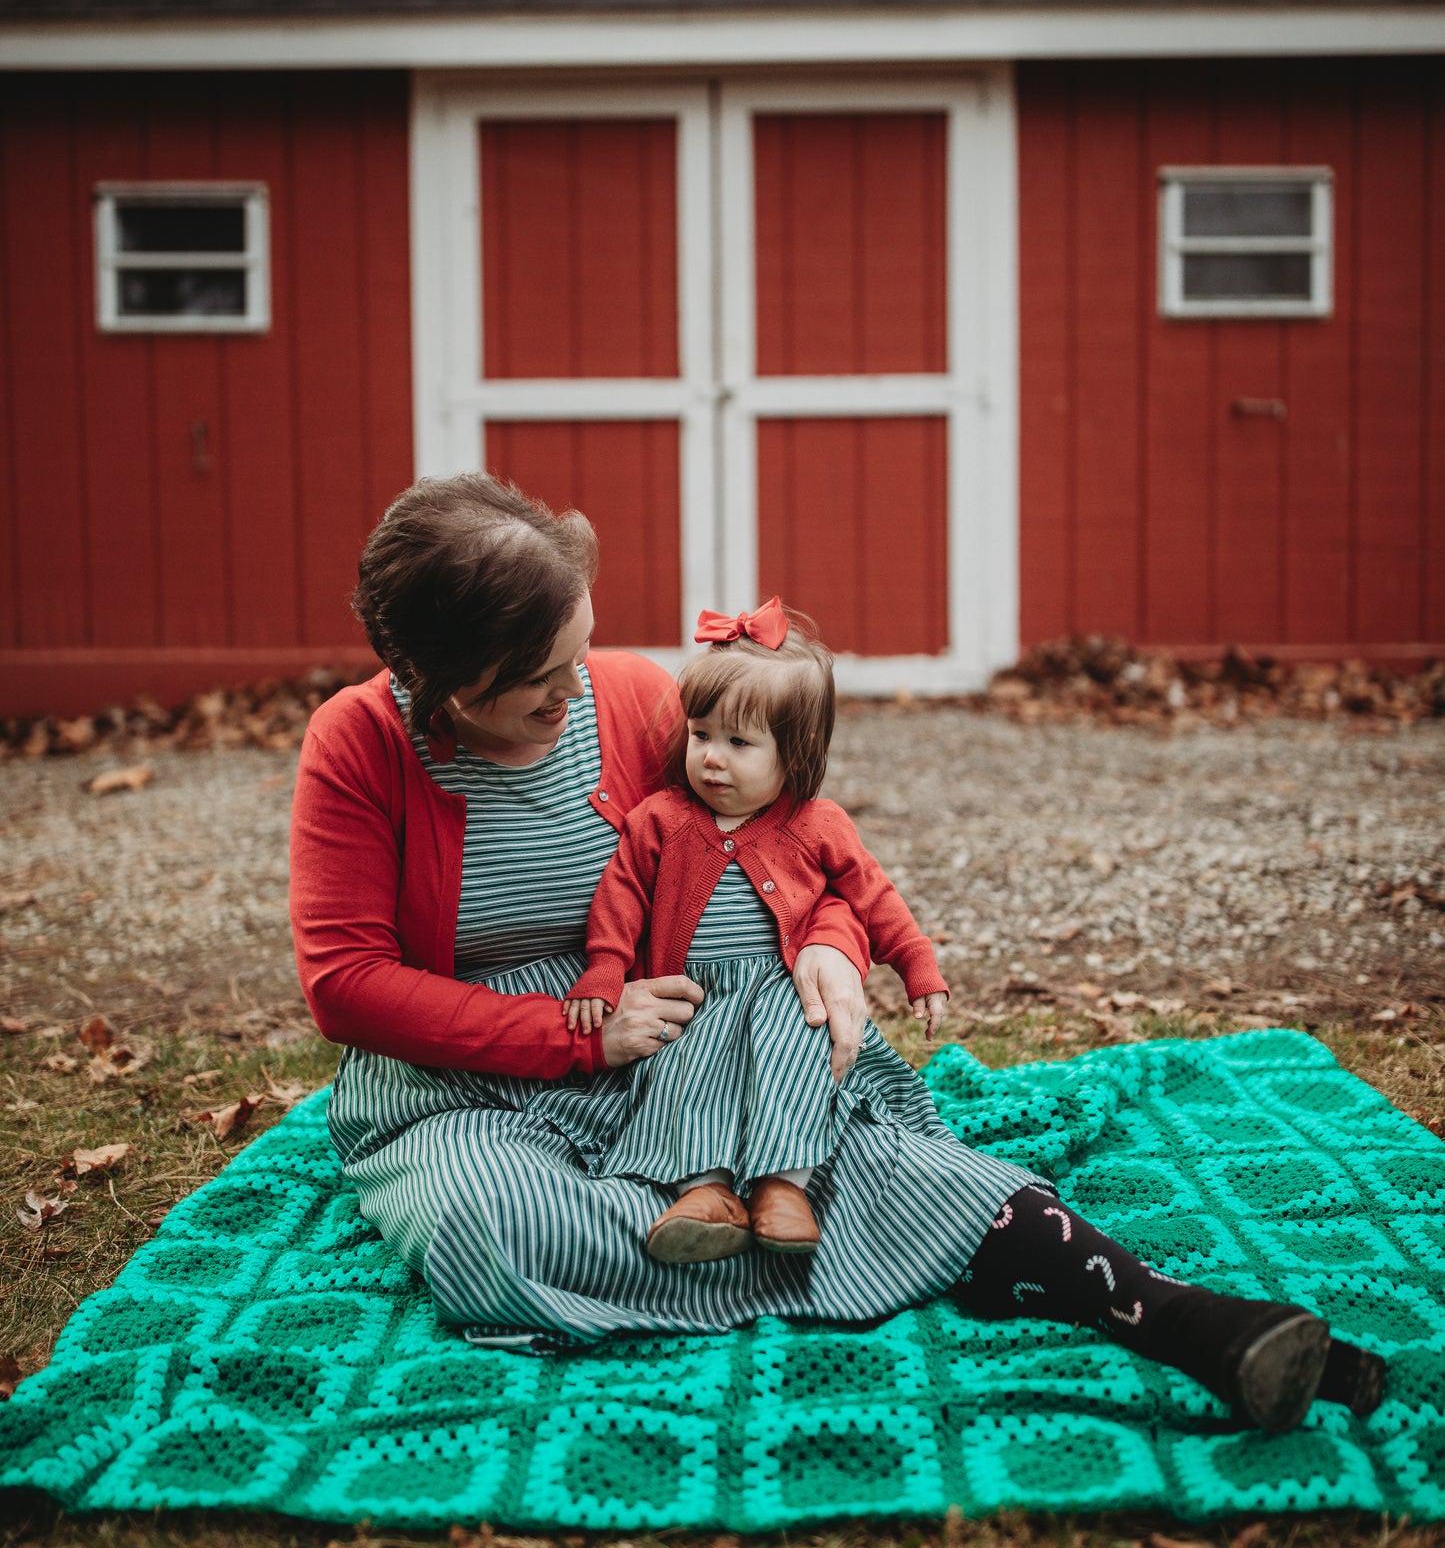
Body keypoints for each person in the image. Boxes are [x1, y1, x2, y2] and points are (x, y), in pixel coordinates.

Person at [290, 471, 1384, 1435]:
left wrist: (829, 941)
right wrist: (573, 1034)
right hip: (468, 1080)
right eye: (542, 675)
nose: (580, 690)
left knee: (878, 1154)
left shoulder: (624, 696)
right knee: (493, 1218)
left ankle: (1183, 1319)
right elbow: (345, 986)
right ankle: (832, 1246)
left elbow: (779, 838)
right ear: (447, 680)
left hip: (686, 1041)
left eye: (580, 655)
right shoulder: (359, 742)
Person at [561, 597, 953, 1265]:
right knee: (685, 1069)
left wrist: (915, 964)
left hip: (778, 987)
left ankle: (783, 1187)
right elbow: (620, 895)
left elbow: (872, 896)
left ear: (793, 754)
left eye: (739, 743)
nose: (712, 758)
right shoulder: (660, 818)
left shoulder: (817, 823)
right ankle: (703, 1191)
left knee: (796, 1055)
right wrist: (604, 967)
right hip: (691, 990)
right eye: (701, 734)